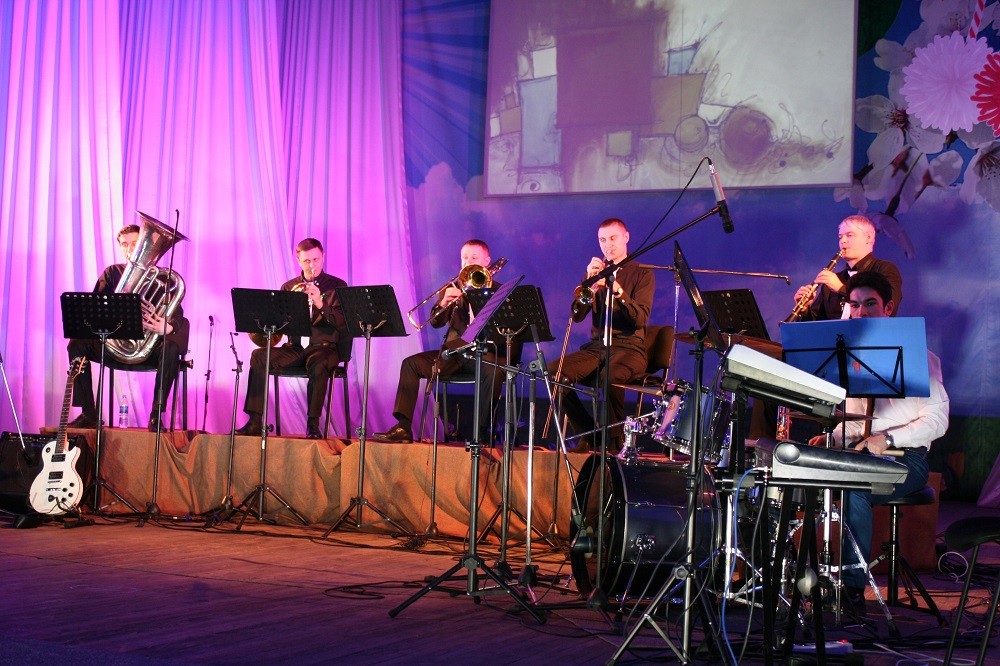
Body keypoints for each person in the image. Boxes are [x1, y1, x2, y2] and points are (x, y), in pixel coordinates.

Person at [808, 271, 949, 618]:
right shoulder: (846, 359)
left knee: (854, 490)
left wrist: (887, 439)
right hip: (860, 453)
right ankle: (796, 583)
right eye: (855, 305)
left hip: (906, 458)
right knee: (794, 473)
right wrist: (833, 436)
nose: (861, 312)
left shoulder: (920, 356)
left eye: (870, 304)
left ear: (888, 308)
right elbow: (859, 421)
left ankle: (851, 592)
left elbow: (937, 420)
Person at [373, 239, 504, 444]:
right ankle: (403, 427)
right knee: (411, 364)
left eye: (474, 257)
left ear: (487, 261)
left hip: (483, 353)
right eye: (465, 257)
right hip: (454, 353)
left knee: (494, 371)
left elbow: (501, 329)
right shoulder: (452, 287)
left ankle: (482, 434)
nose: (468, 262)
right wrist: (443, 303)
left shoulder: (499, 291)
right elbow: (435, 323)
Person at [548, 218, 654, 452]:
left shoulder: (642, 273)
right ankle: (590, 434)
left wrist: (618, 291)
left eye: (613, 238)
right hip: (597, 348)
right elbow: (577, 315)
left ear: (626, 237)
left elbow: (639, 319)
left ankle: (614, 445)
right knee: (554, 371)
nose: (608, 245)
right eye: (602, 240)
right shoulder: (596, 275)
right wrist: (589, 283)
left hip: (630, 349)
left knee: (610, 376)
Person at [67, 224, 186, 432]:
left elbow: (178, 314)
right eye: (125, 244)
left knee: (172, 349)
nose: (130, 248)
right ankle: (89, 413)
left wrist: (168, 326)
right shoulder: (112, 273)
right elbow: (94, 309)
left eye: (135, 243)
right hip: (113, 347)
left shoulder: (163, 278)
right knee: (76, 344)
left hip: (147, 350)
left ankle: (156, 415)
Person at [235, 238, 348, 439]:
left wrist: (320, 304)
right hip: (295, 348)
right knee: (259, 356)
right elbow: (280, 322)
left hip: (325, 348)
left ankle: (313, 426)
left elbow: (341, 323)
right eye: (307, 261)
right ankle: (254, 422)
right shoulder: (289, 287)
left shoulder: (337, 286)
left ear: (323, 257)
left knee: (318, 364)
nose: (312, 265)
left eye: (316, 259)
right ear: (298, 261)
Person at [791, 214, 903, 321]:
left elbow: (890, 308)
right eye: (840, 237)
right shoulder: (832, 282)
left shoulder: (884, 269)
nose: (843, 241)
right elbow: (816, 326)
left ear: (868, 238)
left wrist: (840, 288)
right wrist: (804, 310)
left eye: (849, 235)